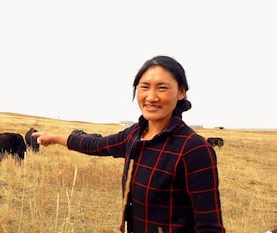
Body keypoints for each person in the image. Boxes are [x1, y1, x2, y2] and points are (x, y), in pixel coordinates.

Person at [32, 55, 226, 233]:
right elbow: (97, 145)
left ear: (181, 91)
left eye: (162, 87)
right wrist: (57, 138)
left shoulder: (194, 149)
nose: (151, 97)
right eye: (144, 87)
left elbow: (209, 226)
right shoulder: (134, 135)